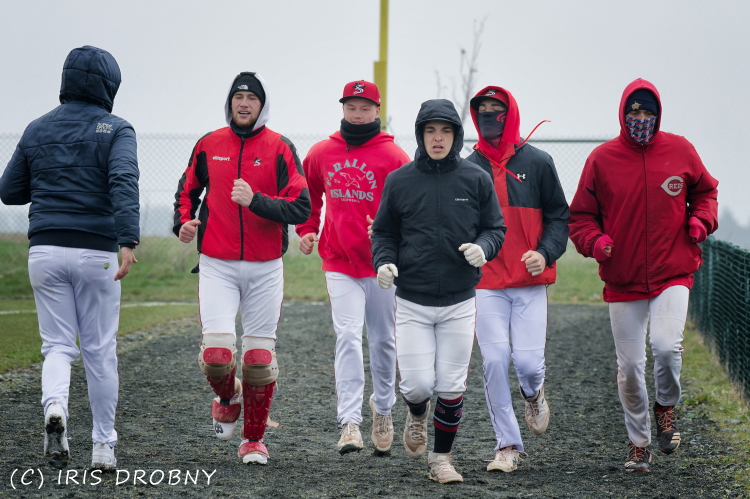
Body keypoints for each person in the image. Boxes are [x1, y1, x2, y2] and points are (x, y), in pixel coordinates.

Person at [0, 46, 139, 469]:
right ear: (109, 86)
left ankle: (56, 407)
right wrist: (128, 240)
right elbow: (122, 180)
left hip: (44, 250)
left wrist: (52, 178)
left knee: (57, 346)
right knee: (99, 352)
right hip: (96, 251)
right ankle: (103, 447)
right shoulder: (117, 129)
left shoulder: (36, 127)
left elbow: (9, 191)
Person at [569, 78, 718, 472]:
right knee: (630, 369)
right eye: (634, 110)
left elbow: (706, 193)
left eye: (647, 111)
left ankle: (665, 407)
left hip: (673, 270)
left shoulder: (681, 150)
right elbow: (580, 216)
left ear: (658, 113)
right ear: (623, 113)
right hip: (624, 277)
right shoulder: (601, 159)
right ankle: (639, 444)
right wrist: (595, 241)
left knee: (667, 347)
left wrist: (701, 220)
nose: (640, 117)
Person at [173, 72, 310, 465]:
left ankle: (253, 440)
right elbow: (187, 190)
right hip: (217, 264)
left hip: (265, 269)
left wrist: (256, 201)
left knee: (258, 360)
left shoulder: (280, 148)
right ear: (230, 103)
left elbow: (301, 207)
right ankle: (227, 395)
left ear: (262, 106)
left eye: (252, 98)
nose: (244, 103)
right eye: (238, 97)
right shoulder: (209, 144)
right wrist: (183, 222)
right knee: (217, 355)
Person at [371, 99, 506, 483]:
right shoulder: (400, 180)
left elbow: (495, 228)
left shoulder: (476, 178)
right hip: (412, 300)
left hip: (459, 301)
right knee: (417, 386)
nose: (437, 138)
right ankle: (417, 415)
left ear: (456, 135)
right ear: (420, 134)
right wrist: (384, 262)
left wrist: (484, 248)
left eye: (445, 131)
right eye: (430, 130)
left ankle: (441, 459)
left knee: (450, 385)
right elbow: (383, 232)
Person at [296, 80, 410, 454]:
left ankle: (383, 411)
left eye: (365, 108)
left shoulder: (394, 156)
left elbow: (410, 208)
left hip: (382, 264)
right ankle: (349, 423)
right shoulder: (322, 153)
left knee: (383, 338)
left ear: (377, 111)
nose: (357, 114)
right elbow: (309, 196)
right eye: (351, 107)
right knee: (346, 335)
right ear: (342, 109)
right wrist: (308, 230)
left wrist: (393, 235)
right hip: (339, 260)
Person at [466, 86, 570, 472]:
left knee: (527, 364)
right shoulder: (467, 167)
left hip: (529, 282)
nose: (489, 116)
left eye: (496, 109)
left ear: (510, 113)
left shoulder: (539, 162)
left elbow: (559, 216)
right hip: (486, 283)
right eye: (482, 109)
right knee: (494, 360)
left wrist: (545, 253)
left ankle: (533, 393)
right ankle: (507, 445)